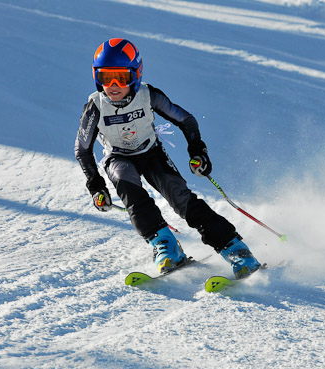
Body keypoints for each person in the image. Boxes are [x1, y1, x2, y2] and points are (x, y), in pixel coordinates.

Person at [75, 38, 260, 279]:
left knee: (181, 198)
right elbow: (82, 149)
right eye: (105, 77)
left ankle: (234, 248)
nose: (113, 85)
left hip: (150, 153)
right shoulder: (95, 106)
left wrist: (197, 151)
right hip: (118, 158)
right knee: (132, 195)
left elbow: (185, 120)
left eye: (121, 77)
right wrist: (96, 187)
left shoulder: (148, 95)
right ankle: (165, 245)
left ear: (136, 74)